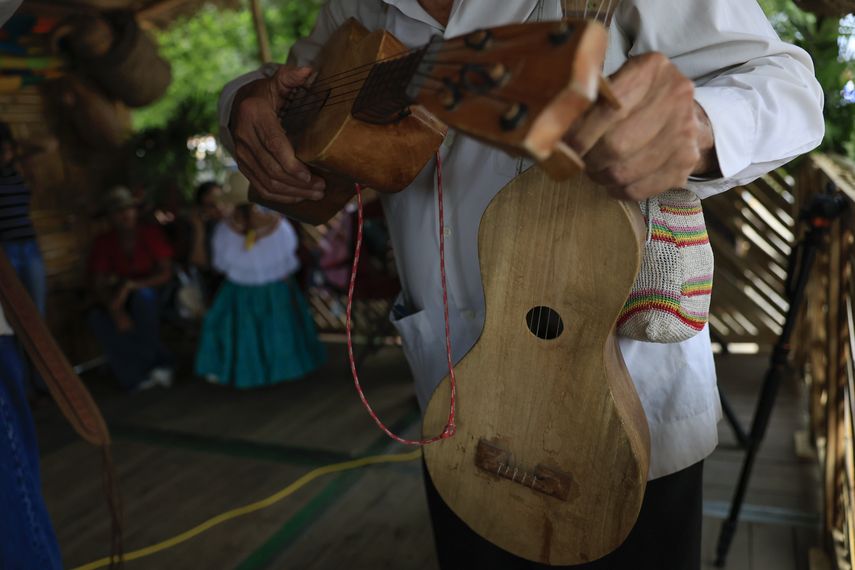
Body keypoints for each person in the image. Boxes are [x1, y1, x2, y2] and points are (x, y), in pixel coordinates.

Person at [219, 1, 825, 568]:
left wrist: (697, 124)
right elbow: (288, 89)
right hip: (453, 411)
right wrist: (243, 103)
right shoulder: (356, 9)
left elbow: (791, 90)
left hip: (624, 412)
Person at [195, 203, 326, 388]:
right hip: (272, 291)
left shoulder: (225, 230)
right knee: (279, 330)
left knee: (243, 331)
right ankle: (281, 370)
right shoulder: (280, 225)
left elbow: (220, 264)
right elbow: (290, 260)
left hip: (242, 292)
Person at [87, 186, 175, 391]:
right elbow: (98, 282)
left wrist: (132, 285)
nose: (123, 215)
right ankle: (134, 375)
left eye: (127, 209)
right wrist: (115, 310)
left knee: (143, 300)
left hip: (156, 292)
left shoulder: (150, 234)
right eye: (117, 212)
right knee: (98, 319)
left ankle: (158, 363)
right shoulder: (104, 241)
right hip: (120, 296)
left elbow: (166, 273)